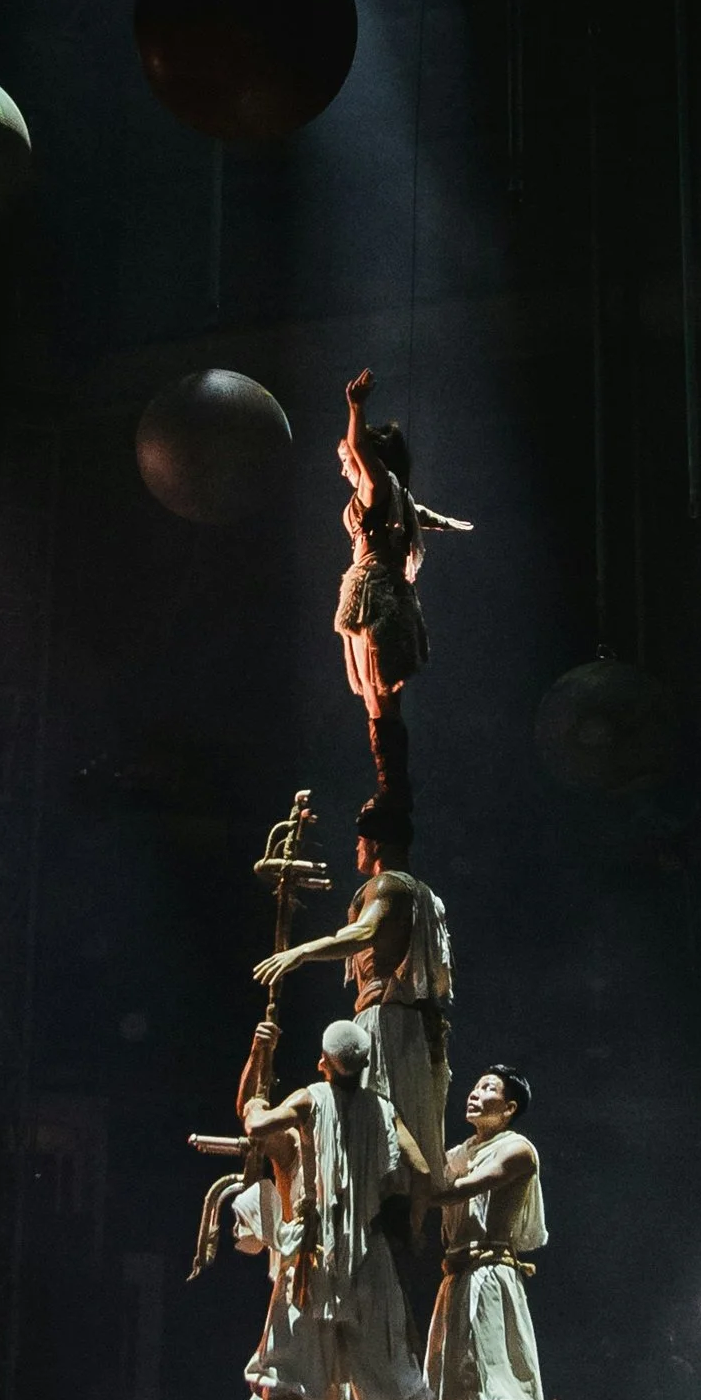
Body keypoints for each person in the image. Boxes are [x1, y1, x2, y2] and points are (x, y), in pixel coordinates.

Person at [236, 1018, 430, 1400]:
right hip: (369, 1264)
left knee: (287, 1382)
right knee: (392, 1385)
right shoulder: (383, 1110)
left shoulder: (309, 1103)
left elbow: (253, 1122)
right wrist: (415, 1231)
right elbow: (422, 1172)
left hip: (315, 1267)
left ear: (323, 1063)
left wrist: (255, 1102)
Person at [251, 799, 454, 1179]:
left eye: (359, 841)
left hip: (389, 1026)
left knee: (377, 1134)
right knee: (406, 1134)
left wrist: (300, 952)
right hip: (414, 1031)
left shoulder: (388, 884)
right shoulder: (425, 895)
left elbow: (364, 932)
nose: (356, 849)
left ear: (374, 842)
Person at [331, 364, 470, 823]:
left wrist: (356, 409)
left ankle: (394, 790)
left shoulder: (376, 487)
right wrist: (450, 523)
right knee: (375, 699)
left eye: (349, 458)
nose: (345, 464)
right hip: (369, 593)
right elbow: (422, 515)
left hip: (376, 596)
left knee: (381, 696)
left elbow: (359, 450)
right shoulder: (391, 497)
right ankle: (389, 787)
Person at [425, 1064, 547, 1400]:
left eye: (488, 1088)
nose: (475, 1093)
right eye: (475, 1086)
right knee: (450, 1398)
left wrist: (419, 1189)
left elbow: (461, 1188)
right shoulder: (461, 1153)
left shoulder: (517, 1150)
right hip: (458, 1279)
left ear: (508, 1108)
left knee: (487, 1394)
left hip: (490, 1278)